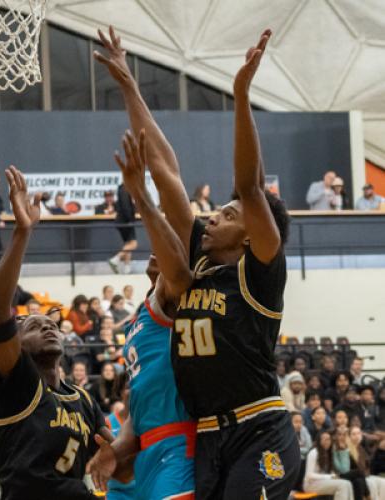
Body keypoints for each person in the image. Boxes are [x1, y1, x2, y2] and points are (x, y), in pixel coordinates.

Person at [94, 25, 299, 498]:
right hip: (208, 436)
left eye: (227, 216)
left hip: (259, 428)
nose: (212, 217)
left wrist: (242, 94)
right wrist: (128, 83)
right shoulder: (197, 262)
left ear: (252, 236)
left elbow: (249, 187)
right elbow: (165, 170)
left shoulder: (258, 276)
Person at [0, 165, 110, 499]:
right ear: (18, 346)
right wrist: (22, 233)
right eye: (35, 326)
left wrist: (117, 452)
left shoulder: (83, 399)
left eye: (52, 325)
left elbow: (112, 449)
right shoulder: (19, 383)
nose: (48, 328)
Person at [86, 127, 195, 497]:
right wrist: (116, 450)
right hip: (143, 452)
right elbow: (139, 409)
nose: (156, 250)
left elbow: (180, 237)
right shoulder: (137, 318)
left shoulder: (173, 297)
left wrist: (141, 194)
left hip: (179, 445)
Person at [104, 372, 136, 500]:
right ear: (121, 391)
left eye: (136, 386)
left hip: (146, 492)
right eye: (129, 387)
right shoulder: (107, 423)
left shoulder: (150, 421)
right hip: (118, 494)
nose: (133, 390)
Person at [303, 431, 353, 499]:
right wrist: (329, 476)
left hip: (322, 482)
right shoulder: (314, 452)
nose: (328, 441)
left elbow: (327, 472)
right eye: (325, 439)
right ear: (319, 441)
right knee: (342, 485)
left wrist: (333, 476)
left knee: (348, 483)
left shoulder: (328, 453)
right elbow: (309, 475)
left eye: (329, 439)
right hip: (310, 485)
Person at [333, 426, 369, 500]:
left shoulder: (357, 448)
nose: (342, 437)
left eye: (344, 435)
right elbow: (343, 469)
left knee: (358, 482)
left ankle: (367, 496)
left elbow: (365, 465)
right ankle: (368, 496)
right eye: (339, 434)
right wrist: (343, 451)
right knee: (359, 472)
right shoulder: (335, 447)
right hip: (338, 475)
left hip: (351, 475)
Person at [350, 425, 385, 499]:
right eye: (354, 434)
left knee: (383, 482)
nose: (357, 436)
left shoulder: (361, 448)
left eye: (359, 433)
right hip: (356, 476)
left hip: (366, 474)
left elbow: (368, 464)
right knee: (372, 484)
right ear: (349, 436)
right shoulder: (349, 449)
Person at [108, 184, 137, 275]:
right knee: (133, 244)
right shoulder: (125, 188)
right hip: (125, 221)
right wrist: (130, 219)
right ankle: (115, 260)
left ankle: (126, 268)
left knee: (128, 244)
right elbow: (125, 206)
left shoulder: (126, 188)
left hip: (124, 221)